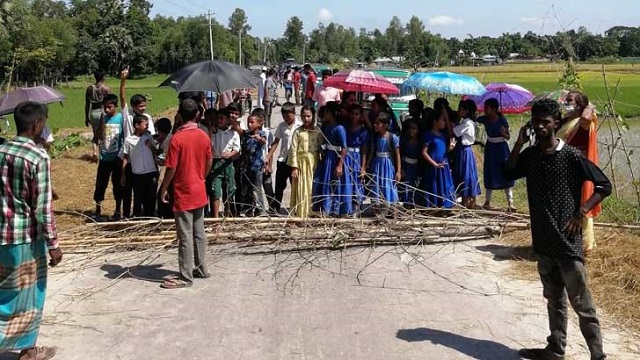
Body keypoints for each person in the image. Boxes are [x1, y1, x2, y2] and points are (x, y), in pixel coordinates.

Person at [505, 99, 610, 360]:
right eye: (536, 121)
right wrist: (519, 142)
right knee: (554, 301)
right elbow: (508, 172)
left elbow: (603, 185)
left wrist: (581, 212)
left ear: (556, 123)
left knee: (582, 305)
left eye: (545, 122)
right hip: (543, 244)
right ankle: (555, 348)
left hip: (567, 244)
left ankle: (598, 355)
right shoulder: (531, 156)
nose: (540, 126)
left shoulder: (571, 156)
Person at [0, 101, 63, 360]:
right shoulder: (37, 157)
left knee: (4, 292)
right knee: (29, 295)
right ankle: (28, 351)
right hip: (24, 238)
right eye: (44, 122)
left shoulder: (1, 149)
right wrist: (54, 244)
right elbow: (42, 208)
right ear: (37, 124)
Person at [159, 99, 212, 289]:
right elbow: (209, 161)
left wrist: (164, 188)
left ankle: (186, 276)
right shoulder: (204, 135)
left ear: (180, 115)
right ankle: (201, 268)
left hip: (183, 191)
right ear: (197, 114)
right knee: (199, 232)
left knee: (185, 236)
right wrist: (201, 177)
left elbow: (171, 168)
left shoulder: (177, 139)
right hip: (199, 189)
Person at [557, 91, 600, 253]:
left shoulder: (583, 121)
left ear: (580, 104)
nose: (566, 102)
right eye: (566, 99)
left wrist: (588, 107)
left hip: (579, 168)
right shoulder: (567, 119)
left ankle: (585, 244)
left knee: (583, 203)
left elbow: (586, 118)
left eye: (570, 100)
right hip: (564, 166)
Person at [119, 69, 155, 219]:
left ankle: (148, 214)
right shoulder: (127, 116)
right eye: (140, 106)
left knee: (146, 190)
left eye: (144, 106)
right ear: (133, 106)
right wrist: (123, 81)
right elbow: (122, 98)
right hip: (130, 155)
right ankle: (129, 215)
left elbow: (151, 136)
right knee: (129, 190)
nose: (143, 109)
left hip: (145, 157)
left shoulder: (147, 118)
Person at [477, 98, 515, 211]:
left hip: (501, 148)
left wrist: (504, 133)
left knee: (505, 172)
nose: (485, 110)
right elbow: (475, 119)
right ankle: (487, 201)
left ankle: (510, 202)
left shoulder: (502, 120)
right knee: (490, 172)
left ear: (494, 109)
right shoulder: (485, 119)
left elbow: (508, 137)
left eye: (487, 108)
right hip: (490, 149)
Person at [312, 102, 349, 216]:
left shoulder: (340, 128)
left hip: (335, 160)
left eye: (326, 113)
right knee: (322, 183)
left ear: (330, 113)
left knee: (334, 184)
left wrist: (340, 165)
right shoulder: (325, 127)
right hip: (326, 158)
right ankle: (323, 209)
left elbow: (344, 148)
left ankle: (334, 210)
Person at [93, 94, 125, 220]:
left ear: (115, 106)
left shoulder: (121, 118)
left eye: (109, 107)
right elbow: (97, 136)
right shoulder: (103, 118)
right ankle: (97, 210)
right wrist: (95, 151)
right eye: (105, 107)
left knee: (117, 185)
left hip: (117, 158)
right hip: (104, 158)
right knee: (101, 184)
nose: (107, 110)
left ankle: (118, 210)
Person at [266, 102, 302, 214]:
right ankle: (275, 208)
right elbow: (276, 142)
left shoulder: (300, 126)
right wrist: (269, 156)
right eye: (284, 116)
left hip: (295, 162)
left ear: (294, 113)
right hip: (282, 160)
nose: (286, 118)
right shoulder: (282, 126)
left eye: (288, 116)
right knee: (279, 186)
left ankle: (296, 208)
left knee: (295, 186)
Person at [120, 114, 158, 217]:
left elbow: (156, 152)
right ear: (137, 125)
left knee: (151, 197)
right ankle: (138, 217)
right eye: (145, 125)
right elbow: (126, 157)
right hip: (138, 174)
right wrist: (123, 174)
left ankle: (150, 216)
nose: (147, 127)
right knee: (138, 198)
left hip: (151, 172)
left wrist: (151, 145)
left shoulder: (148, 137)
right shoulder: (129, 140)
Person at [287, 106, 321, 218]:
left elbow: (321, 148)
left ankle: (312, 212)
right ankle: (302, 214)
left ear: (313, 116)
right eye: (304, 116)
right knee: (301, 188)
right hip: (301, 164)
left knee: (312, 187)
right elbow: (293, 150)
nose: (306, 119)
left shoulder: (317, 131)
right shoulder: (298, 132)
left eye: (308, 116)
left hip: (313, 164)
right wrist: (294, 167)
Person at [366, 112, 401, 213]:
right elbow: (372, 151)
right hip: (377, 165)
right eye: (375, 123)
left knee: (388, 185)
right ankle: (377, 212)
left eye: (378, 123)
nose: (375, 125)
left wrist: (398, 171)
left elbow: (397, 154)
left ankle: (392, 211)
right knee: (376, 186)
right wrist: (366, 166)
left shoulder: (392, 137)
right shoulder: (375, 137)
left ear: (385, 125)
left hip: (388, 165)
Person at [422, 109, 456, 208]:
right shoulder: (428, 135)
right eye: (442, 120)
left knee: (444, 186)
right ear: (435, 122)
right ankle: (434, 208)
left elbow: (443, 152)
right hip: (433, 167)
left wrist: (450, 149)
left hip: (443, 165)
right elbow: (424, 153)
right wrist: (434, 164)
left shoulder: (443, 135)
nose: (444, 122)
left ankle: (444, 207)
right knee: (434, 187)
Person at [210, 109, 241, 218]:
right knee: (215, 192)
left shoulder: (233, 133)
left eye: (222, 118)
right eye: (218, 118)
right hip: (216, 161)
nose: (219, 120)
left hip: (228, 163)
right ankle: (215, 218)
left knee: (229, 190)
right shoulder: (214, 132)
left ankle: (228, 215)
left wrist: (230, 154)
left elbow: (237, 148)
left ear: (228, 120)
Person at [452, 99, 481, 209]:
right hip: (463, 150)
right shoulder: (466, 122)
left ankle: (468, 204)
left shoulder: (467, 123)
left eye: (460, 109)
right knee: (466, 175)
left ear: (466, 111)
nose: (458, 111)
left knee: (466, 176)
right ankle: (467, 203)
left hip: (465, 151)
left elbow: (454, 132)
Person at [238, 115, 268, 217]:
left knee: (257, 188)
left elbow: (264, 142)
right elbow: (240, 131)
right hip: (246, 166)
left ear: (259, 124)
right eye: (248, 122)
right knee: (246, 188)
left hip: (257, 166)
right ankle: (247, 209)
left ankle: (260, 210)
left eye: (252, 122)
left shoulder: (261, 134)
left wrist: (259, 139)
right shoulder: (246, 134)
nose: (250, 124)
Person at [345, 104, 369, 216]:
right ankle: (347, 207)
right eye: (352, 114)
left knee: (357, 181)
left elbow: (364, 150)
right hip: (347, 157)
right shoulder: (345, 128)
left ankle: (357, 208)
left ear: (360, 116)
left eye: (357, 114)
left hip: (357, 158)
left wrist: (363, 167)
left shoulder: (363, 131)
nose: (354, 116)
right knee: (347, 182)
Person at [85, 71, 111, 161]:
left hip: (93, 113)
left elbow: (87, 104)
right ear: (103, 77)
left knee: (95, 134)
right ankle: (103, 153)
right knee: (104, 134)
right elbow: (110, 102)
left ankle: (94, 152)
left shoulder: (89, 88)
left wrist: (86, 117)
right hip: (103, 112)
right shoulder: (106, 88)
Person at [399, 120, 421, 206]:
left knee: (414, 187)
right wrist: (401, 168)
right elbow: (400, 154)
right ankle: (406, 206)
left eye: (414, 128)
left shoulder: (420, 142)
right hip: (406, 167)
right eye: (410, 128)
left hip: (415, 168)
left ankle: (413, 206)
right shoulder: (404, 141)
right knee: (406, 187)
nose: (412, 130)